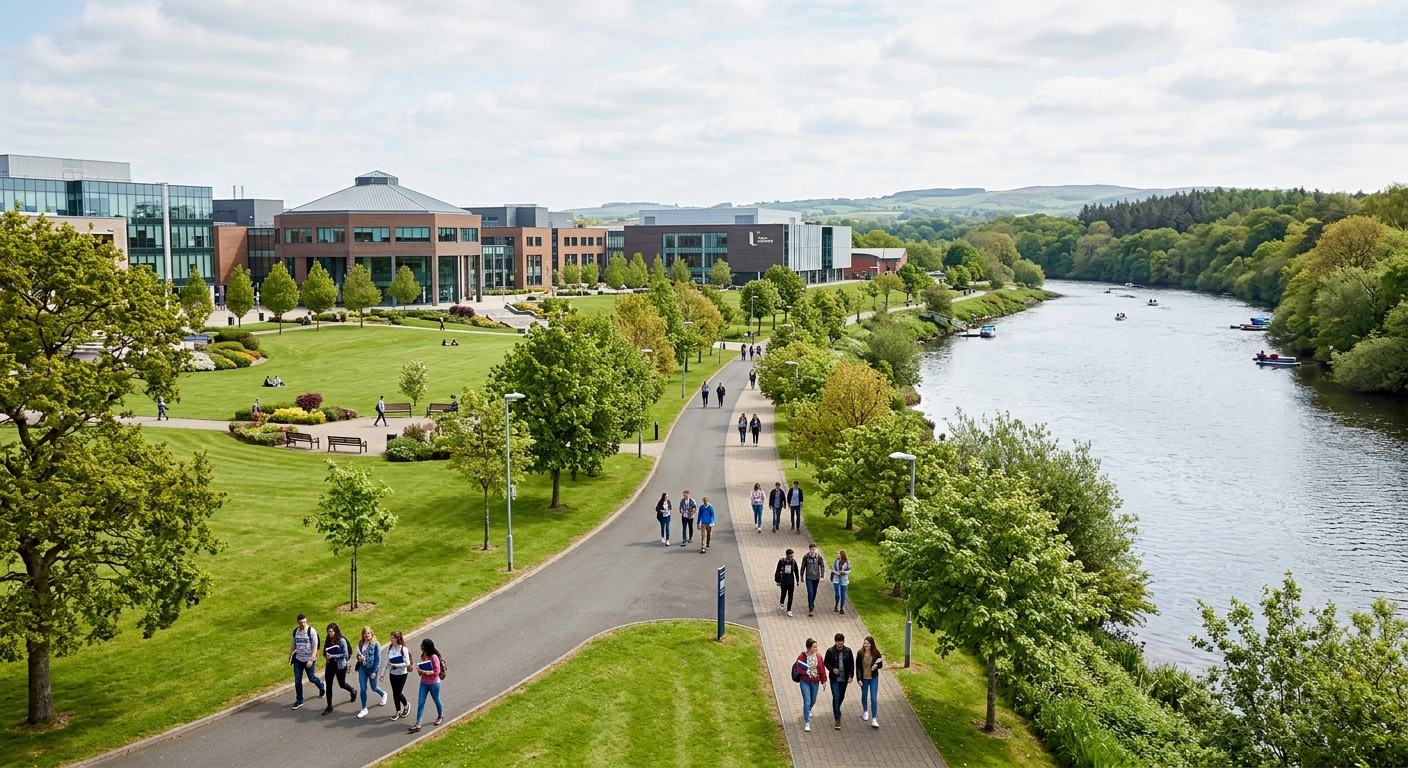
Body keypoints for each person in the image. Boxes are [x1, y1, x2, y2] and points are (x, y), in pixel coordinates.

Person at [409, 638, 445, 732]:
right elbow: (421, 668)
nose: (421, 646)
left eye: (422, 645)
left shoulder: (434, 657)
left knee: (436, 700)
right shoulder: (423, 655)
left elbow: (436, 672)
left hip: (434, 683)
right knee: (421, 703)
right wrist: (419, 671)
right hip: (424, 683)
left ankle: (440, 716)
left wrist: (424, 671)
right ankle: (418, 723)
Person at [289, 614, 324, 709]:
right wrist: (290, 657)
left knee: (311, 678)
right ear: (298, 622)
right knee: (297, 680)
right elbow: (293, 645)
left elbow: (315, 647)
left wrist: (311, 660)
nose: (303, 624)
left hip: (309, 659)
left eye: (304, 622)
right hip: (298, 659)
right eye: (301, 622)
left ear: (306, 621)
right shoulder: (295, 631)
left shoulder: (311, 631)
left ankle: (321, 685)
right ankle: (299, 700)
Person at [320, 622, 356, 715]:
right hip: (330, 665)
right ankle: (329, 706)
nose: (330, 633)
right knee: (329, 685)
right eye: (328, 632)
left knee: (342, 684)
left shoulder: (342, 640)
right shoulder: (328, 640)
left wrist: (333, 655)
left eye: (331, 631)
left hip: (340, 665)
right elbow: (324, 651)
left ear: (335, 631)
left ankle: (352, 691)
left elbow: (345, 654)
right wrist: (326, 655)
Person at [794, 638, 826, 732]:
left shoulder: (819, 657)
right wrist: (806, 671)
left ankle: (808, 709)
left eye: (816, 646)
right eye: (814, 647)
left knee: (813, 700)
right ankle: (807, 722)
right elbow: (798, 668)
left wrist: (824, 681)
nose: (816, 648)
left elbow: (821, 669)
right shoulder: (802, 657)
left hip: (815, 681)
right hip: (805, 681)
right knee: (807, 701)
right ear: (809, 647)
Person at [824, 633, 855, 730]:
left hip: (844, 678)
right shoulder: (830, 651)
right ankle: (837, 718)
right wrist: (832, 669)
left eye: (841, 642)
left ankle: (836, 709)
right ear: (835, 642)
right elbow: (826, 662)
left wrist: (850, 676)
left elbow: (851, 664)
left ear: (843, 641)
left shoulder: (848, 651)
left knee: (841, 696)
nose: (839, 644)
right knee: (836, 696)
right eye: (838, 642)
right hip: (834, 679)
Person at [355, 626, 387, 718]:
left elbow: (377, 659)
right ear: (363, 635)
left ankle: (383, 694)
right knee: (363, 688)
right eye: (365, 633)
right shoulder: (361, 643)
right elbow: (358, 654)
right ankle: (364, 708)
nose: (367, 635)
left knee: (374, 687)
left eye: (368, 633)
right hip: (362, 668)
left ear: (371, 634)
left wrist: (374, 671)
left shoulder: (375, 644)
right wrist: (359, 657)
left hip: (372, 668)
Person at [381, 630, 412, 720]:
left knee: (398, 692)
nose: (391, 639)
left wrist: (397, 665)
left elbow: (407, 663)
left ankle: (406, 705)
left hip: (402, 674)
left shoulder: (403, 649)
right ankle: (398, 711)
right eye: (390, 638)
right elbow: (386, 661)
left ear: (397, 638)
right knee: (395, 693)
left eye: (393, 638)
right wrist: (382, 674)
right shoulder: (390, 648)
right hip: (393, 673)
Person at [857, 636, 884, 728]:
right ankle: (865, 710)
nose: (866, 645)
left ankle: (874, 718)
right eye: (865, 643)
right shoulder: (860, 653)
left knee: (873, 698)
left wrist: (876, 666)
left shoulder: (876, 653)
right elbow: (858, 667)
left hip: (873, 678)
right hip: (864, 678)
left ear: (871, 644)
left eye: (868, 643)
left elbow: (880, 664)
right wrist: (859, 679)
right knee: (864, 695)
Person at [801, 543, 826, 617]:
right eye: (812, 549)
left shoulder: (818, 557)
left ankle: (812, 602)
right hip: (809, 577)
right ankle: (810, 608)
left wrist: (822, 576)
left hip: (816, 577)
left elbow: (822, 566)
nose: (813, 551)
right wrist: (801, 576)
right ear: (809, 549)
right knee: (810, 592)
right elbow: (803, 566)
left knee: (814, 592)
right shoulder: (806, 557)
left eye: (814, 549)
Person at [774, 548, 798, 616]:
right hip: (784, 581)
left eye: (792, 556)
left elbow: (796, 571)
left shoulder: (793, 562)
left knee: (791, 596)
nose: (791, 558)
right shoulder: (782, 561)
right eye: (790, 556)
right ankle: (782, 602)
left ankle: (789, 609)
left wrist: (797, 579)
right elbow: (778, 571)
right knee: (783, 593)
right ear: (787, 555)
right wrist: (778, 580)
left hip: (791, 581)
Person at [832, 549, 852, 614]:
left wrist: (844, 572)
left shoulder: (847, 562)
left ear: (841, 555)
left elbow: (849, 570)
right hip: (836, 578)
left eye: (838, 554)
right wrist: (838, 573)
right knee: (837, 593)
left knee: (843, 594)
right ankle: (836, 604)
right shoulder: (835, 561)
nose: (837, 555)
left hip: (844, 579)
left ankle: (842, 607)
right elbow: (833, 569)